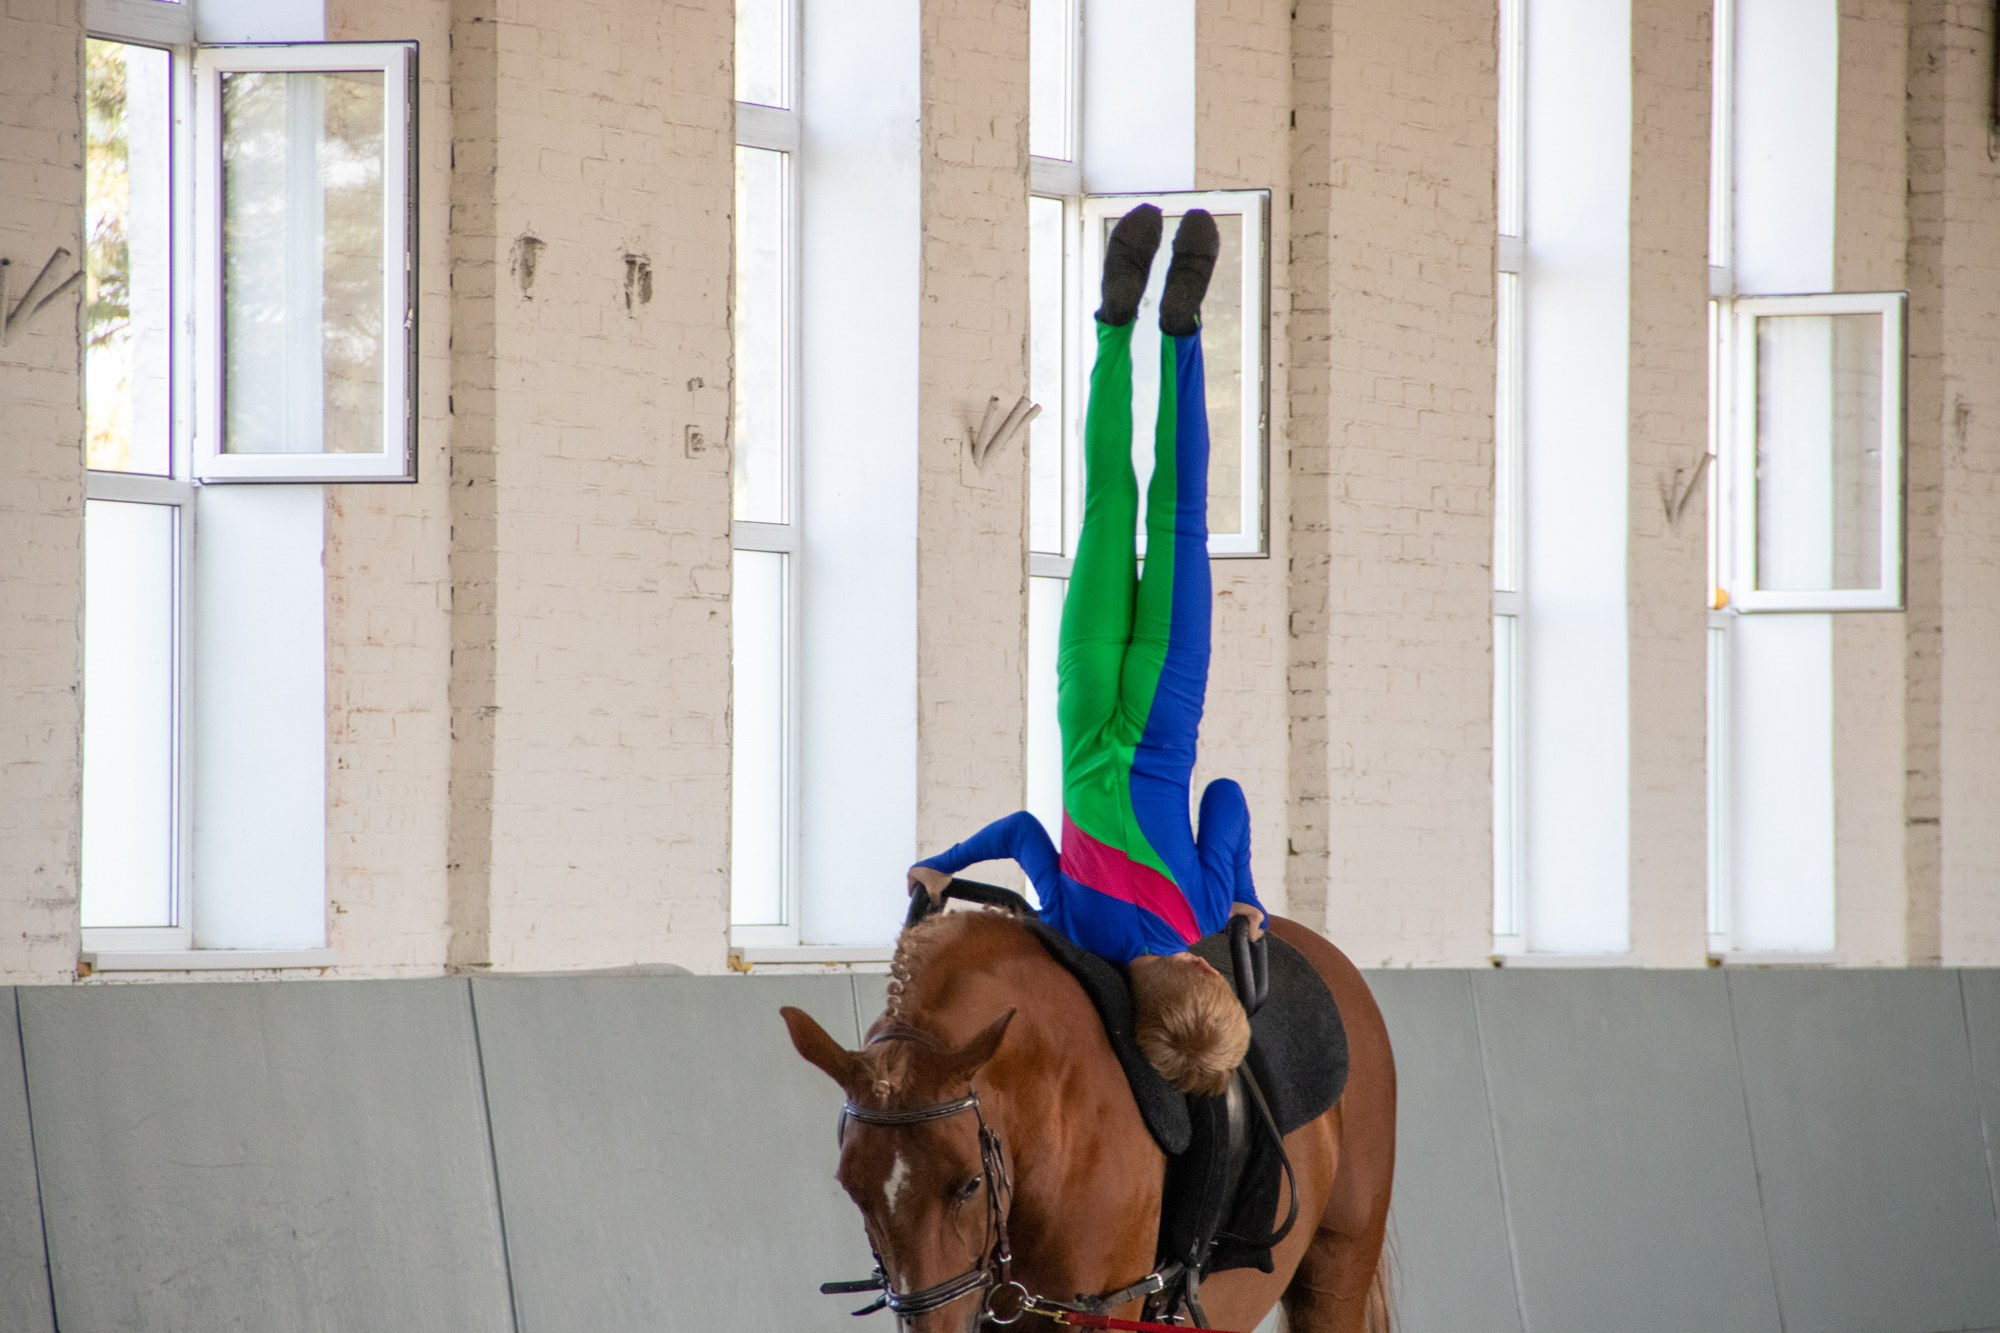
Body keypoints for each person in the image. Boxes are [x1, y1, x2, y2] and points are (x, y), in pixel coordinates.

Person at [909, 204, 1263, 1096]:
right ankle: (1114, 327)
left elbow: (1224, 796)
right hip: (1084, 701)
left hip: (1162, 702)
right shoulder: (1077, 929)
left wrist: (1246, 892)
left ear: (1208, 972)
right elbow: (1027, 831)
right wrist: (946, 863)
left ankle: (1178, 334)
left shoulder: (1201, 909)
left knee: (1176, 512)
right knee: (1107, 502)